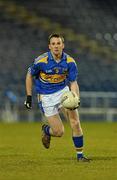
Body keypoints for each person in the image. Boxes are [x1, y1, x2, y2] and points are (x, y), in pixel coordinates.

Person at [24, 33, 90, 162]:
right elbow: (29, 75)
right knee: (59, 132)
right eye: (53, 44)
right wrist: (29, 96)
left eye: (58, 43)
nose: (56, 46)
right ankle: (47, 130)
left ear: (63, 45)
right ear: (49, 46)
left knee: (75, 122)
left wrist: (76, 97)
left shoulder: (70, 62)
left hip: (62, 93)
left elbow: (73, 82)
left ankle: (80, 156)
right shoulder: (41, 61)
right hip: (46, 96)